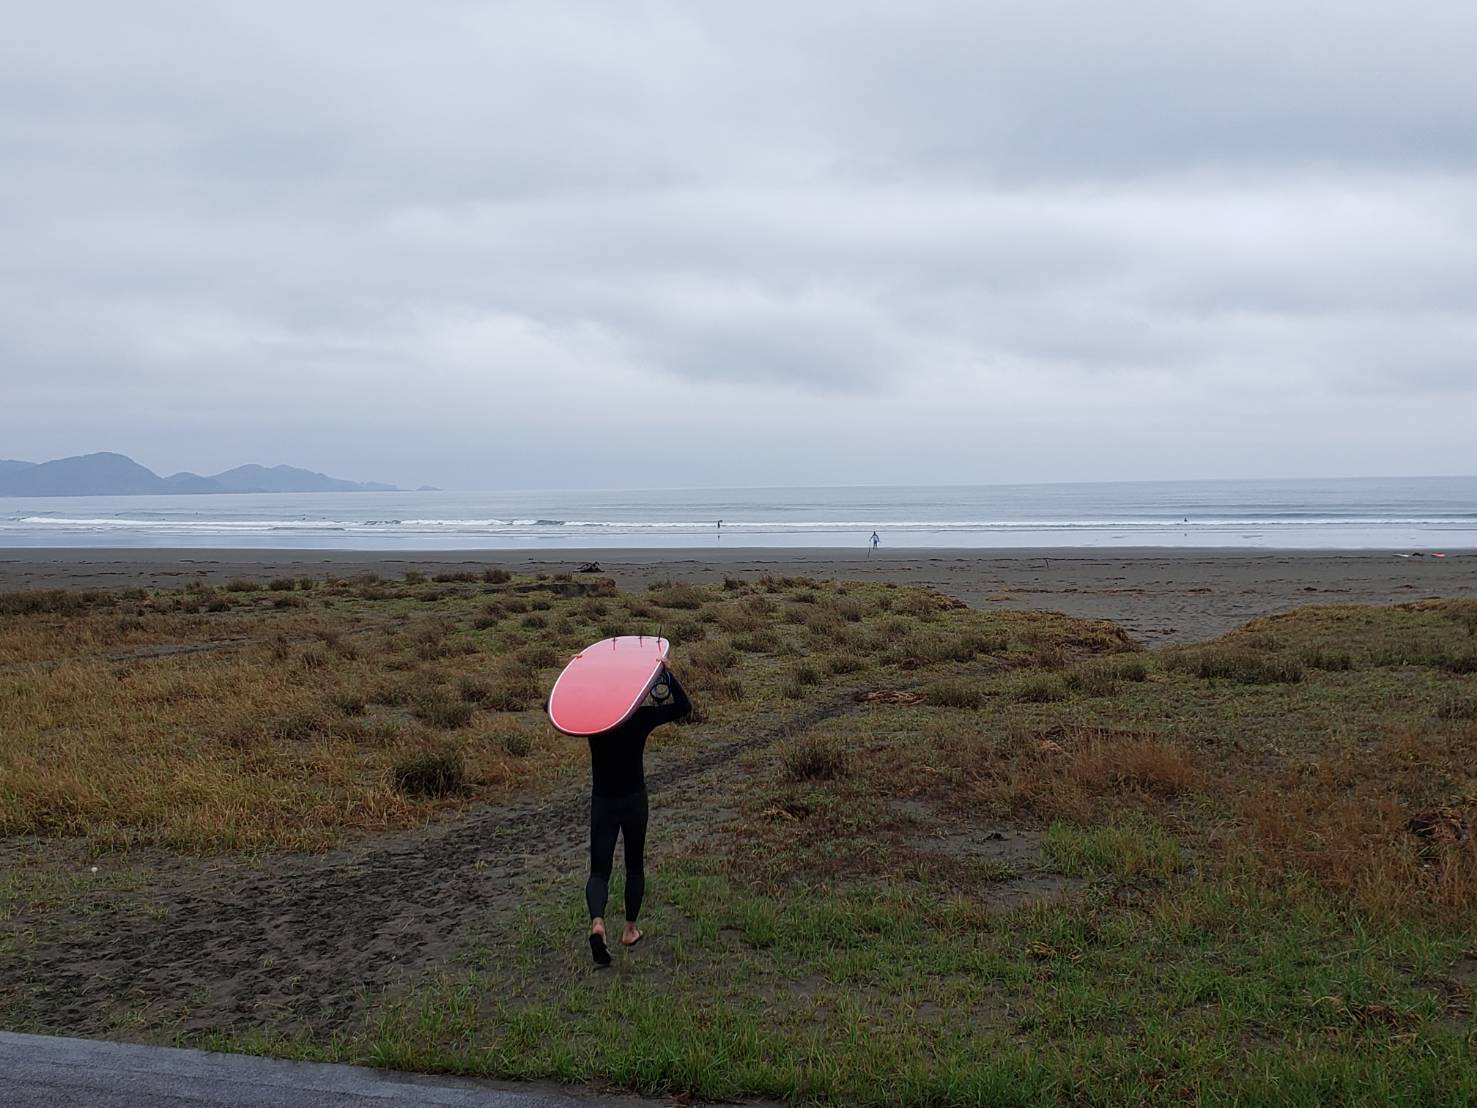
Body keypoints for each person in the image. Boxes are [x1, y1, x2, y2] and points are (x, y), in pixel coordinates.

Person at [583, 666, 692, 966]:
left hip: (603, 801)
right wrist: (666, 674)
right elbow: (684, 706)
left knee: (599, 871)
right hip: (634, 800)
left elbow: (553, 709)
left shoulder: (593, 717)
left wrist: (575, 676)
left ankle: (598, 923)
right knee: (634, 865)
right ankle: (630, 930)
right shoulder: (639, 716)